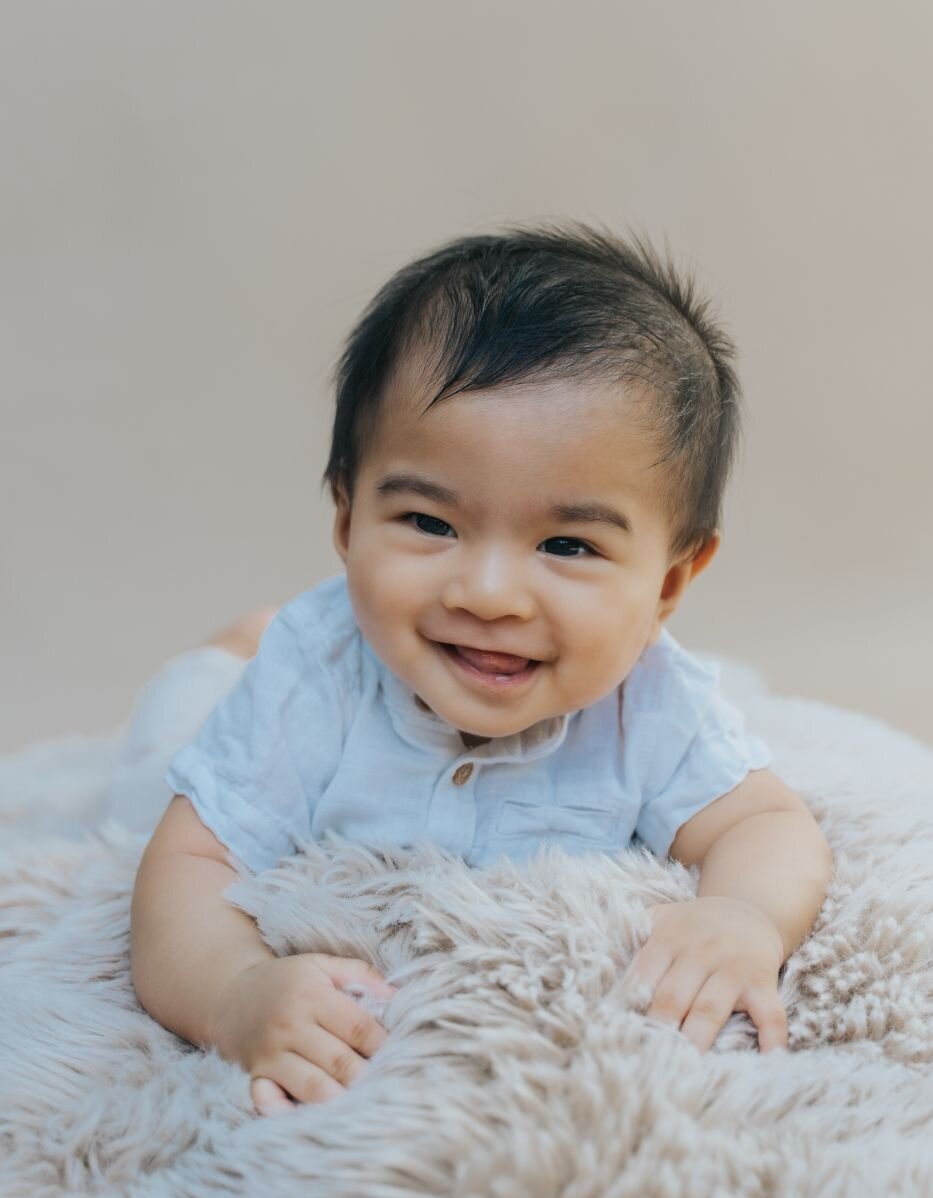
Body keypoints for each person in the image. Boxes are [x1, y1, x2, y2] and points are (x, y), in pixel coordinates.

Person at [126, 221, 834, 1117]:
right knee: (168, 727)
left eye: (566, 544)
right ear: (345, 519)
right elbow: (184, 865)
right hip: (247, 693)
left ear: (668, 582)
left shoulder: (651, 700)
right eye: (429, 523)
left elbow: (768, 825)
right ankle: (234, 641)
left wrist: (744, 918)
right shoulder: (313, 678)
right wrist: (232, 995)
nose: (490, 593)